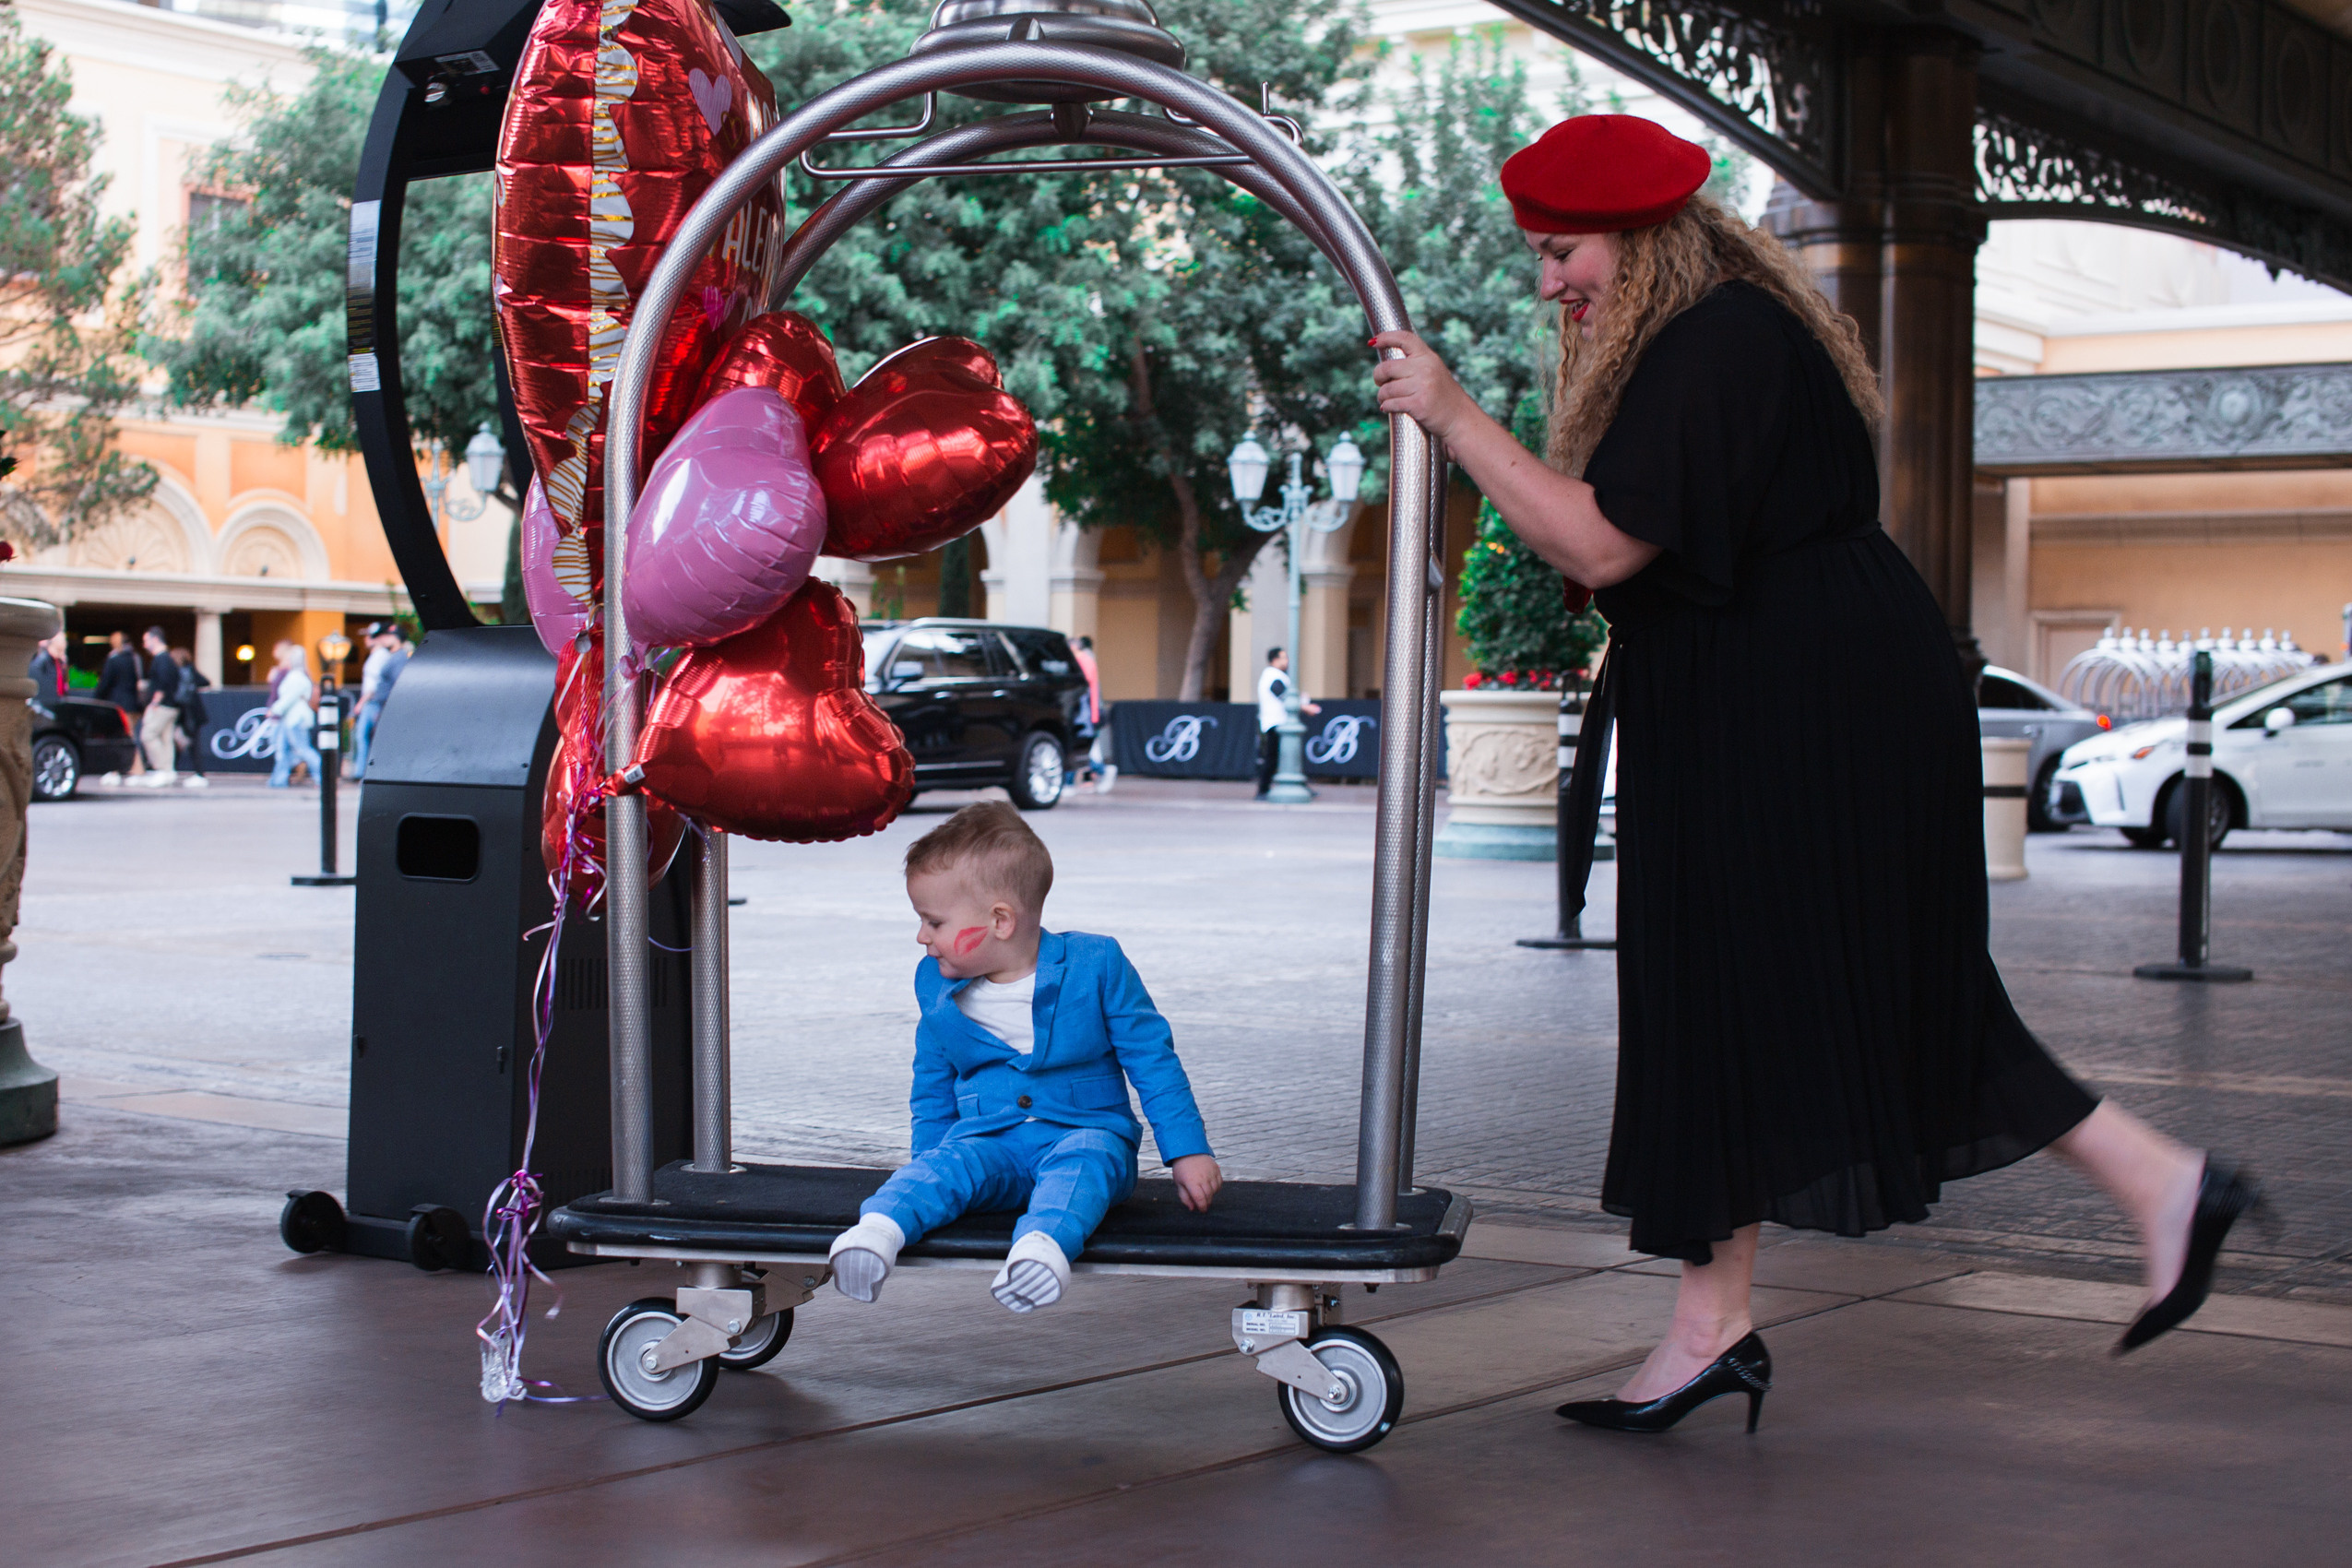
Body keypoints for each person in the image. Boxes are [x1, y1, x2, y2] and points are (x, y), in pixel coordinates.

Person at [1371, 113, 2260, 1433]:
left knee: (1823, 991)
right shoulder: (1717, 333)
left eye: (1562, 251)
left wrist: (1448, 413)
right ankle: (1711, 1323)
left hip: (1794, 701)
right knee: (1736, 999)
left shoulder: (1714, 340)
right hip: (1780, 690)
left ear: (1637, 234)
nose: (1548, 281)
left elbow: (1605, 546)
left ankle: (2159, 1188)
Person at [826, 802, 1221, 1313]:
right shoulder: (935, 985)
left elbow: (1153, 1060)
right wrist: (928, 1154)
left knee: (1083, 1170)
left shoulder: (1096, 965)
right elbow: (931, 1080)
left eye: (934, 921)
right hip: (989, 1140)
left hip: (1086, 1131)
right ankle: (876, 1232)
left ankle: (1041, 1250)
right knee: (944, 1168)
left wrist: (1187, 1150)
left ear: (1000, 921)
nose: (922, 936)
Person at [1252, 647, 1319, 800]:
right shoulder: (1273, 676)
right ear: (1274, 659)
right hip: (1276, 723)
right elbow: (1283, 697)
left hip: (1279, 723)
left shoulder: (1276, 676)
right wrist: (1305, 707)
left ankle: (1299, 786)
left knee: (1284, 757)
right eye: (1283, 657)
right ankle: (1263, 790)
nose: (1286, 661)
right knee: (1274, 757)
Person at [351, 624, 410, 780]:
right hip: (380, 704)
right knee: (368, 738)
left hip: (383, 705)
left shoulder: (398, 658)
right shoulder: (392, 656)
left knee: (374, 739)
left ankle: (368, 773)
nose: (385, 638)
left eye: (389, 636)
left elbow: (396, 684)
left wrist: (383, 708)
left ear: (397, 638)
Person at [267, 641, 322, 789]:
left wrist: (275, 709)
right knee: (283, 750)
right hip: (290, 718)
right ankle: (278, 780)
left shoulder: (296, 677)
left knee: (303, 749)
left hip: (295, 719)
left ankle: (322, 777)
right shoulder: (297, 675)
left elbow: (289, 698)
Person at [136, 628, 180, 786]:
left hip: (162, 706)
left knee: (148, 735)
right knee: (166, 739)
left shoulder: (161, 659)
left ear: (155, 640)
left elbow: (163, 682)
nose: (144, 645)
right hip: (171, 706)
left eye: (146, 641)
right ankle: (168, 772)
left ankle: (161, 770)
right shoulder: (169, 658)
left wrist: (154, 702)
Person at [1071, 635, 1114, 793]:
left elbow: (1088, 690)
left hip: (1086, 713)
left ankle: (1101, 771)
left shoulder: (1085, 660)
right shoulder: (1083, 659)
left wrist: (1093, 714)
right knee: (1086, 749)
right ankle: (1093, 775)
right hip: (1086, 713)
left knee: (1083, 748)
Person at [171, 647, 210, 786]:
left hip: (187, 713)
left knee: (187, 744)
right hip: (193, 712)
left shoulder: (179, 672)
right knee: (185, 744)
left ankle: (197, 773)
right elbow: (205, 681)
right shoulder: (190, 670)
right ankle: (175, 770)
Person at [93, 630, 140, 714]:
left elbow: (105, 682)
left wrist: (97, 697)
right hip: (132, 704)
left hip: (116, 704)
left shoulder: (113, 659)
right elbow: (138, 677)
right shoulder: (133, 658)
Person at [28, 630, 65, 703]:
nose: (65, 644)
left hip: (57, 701)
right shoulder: (43, 660)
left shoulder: (59, 662)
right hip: (47, 702)